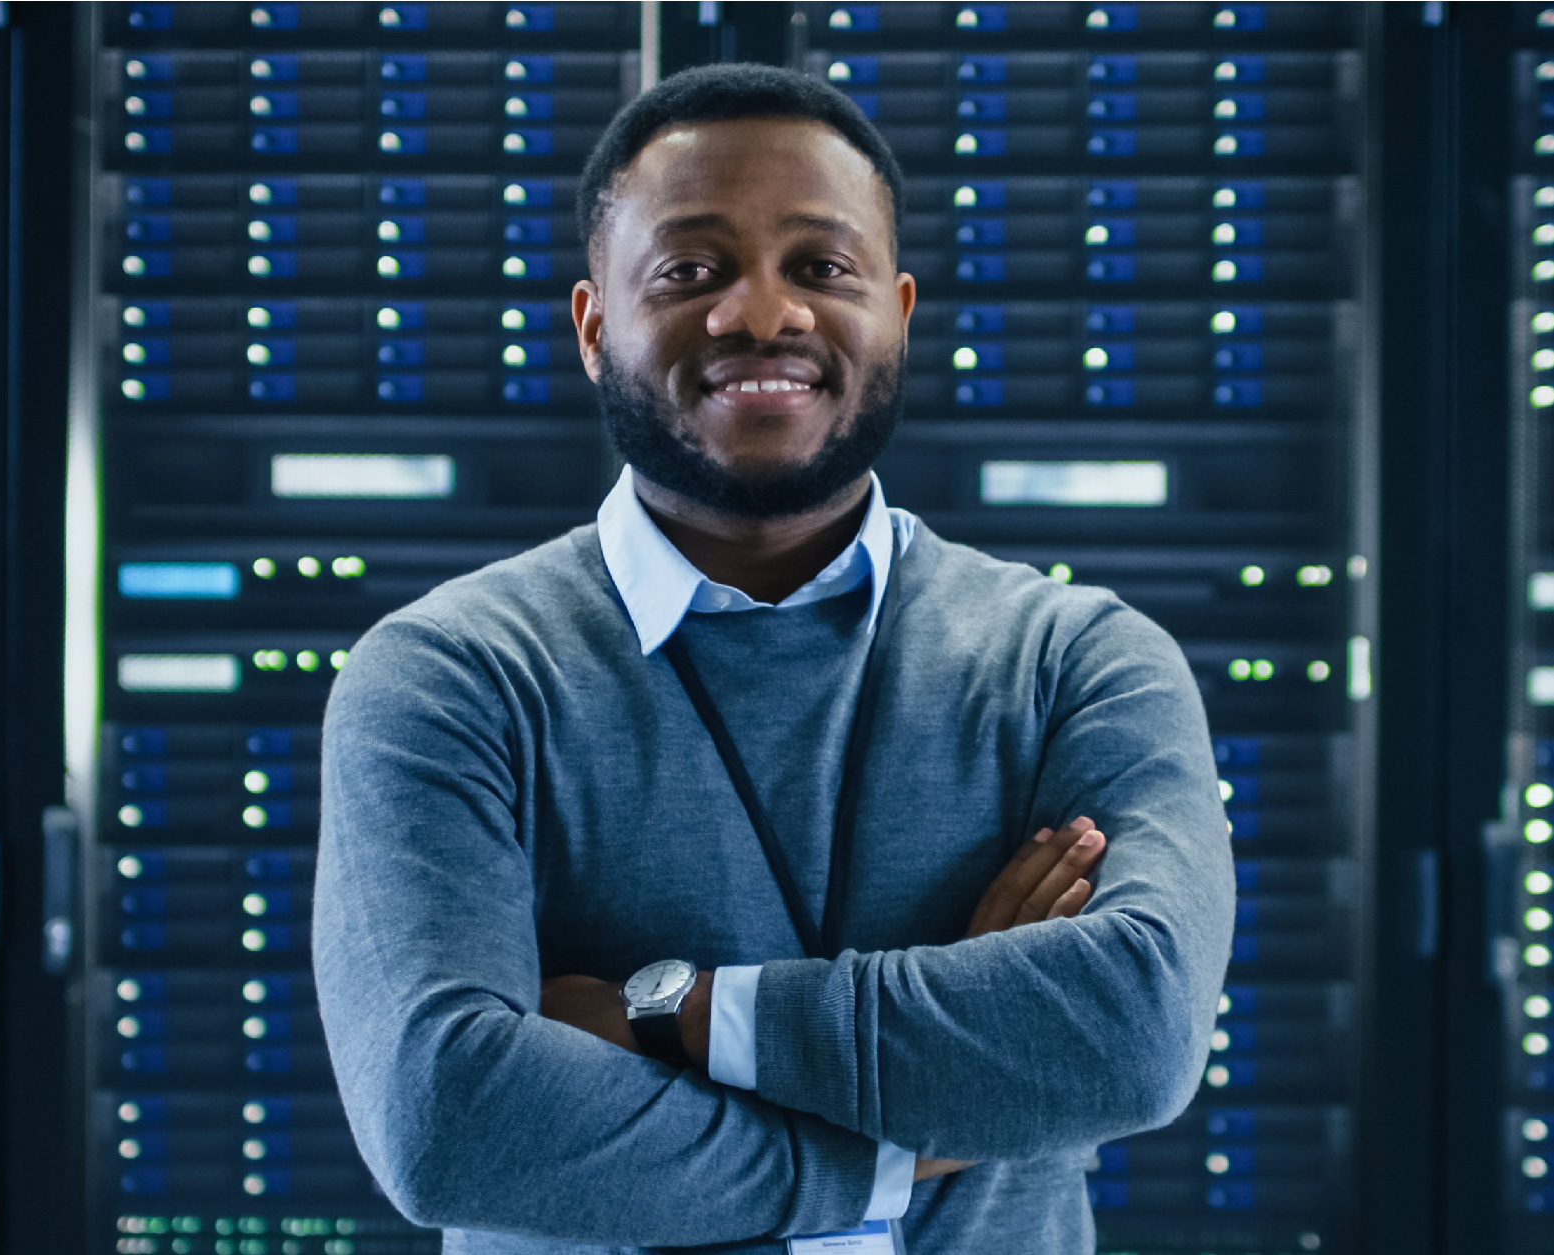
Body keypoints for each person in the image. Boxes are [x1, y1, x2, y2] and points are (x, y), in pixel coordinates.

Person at [313, 62, 1234, 1255]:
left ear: (897, 312)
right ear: (595, 328)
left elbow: (1130, 1033)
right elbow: (450, 1119)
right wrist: (913, 1131)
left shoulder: (1075, 661)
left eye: (820, 267)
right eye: (690, 270)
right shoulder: (449, 678)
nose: (761, 315)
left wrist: (671, 1015)